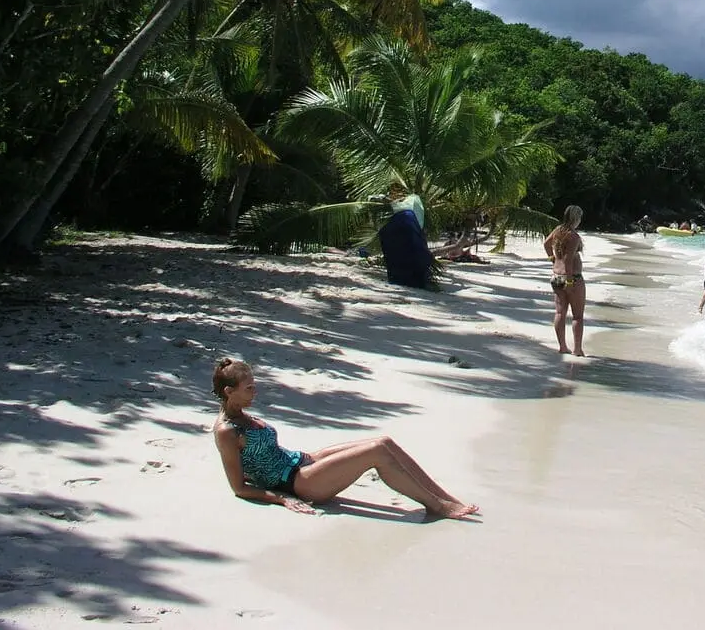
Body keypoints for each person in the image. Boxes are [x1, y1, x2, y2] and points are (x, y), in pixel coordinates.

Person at [211, 359, 478, 519]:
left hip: (300, 461)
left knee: (385, 441)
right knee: (376, 452)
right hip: (297, 483)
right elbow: (239, 487)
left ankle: (445, 498)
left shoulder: (243, 415)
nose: (255, 392)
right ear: (228, 391)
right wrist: (282, 499)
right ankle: (436, 506)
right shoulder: (227, 431)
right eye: (249, 388)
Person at [543, 205, 586, 356]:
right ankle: (577, 349)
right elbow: (568, 261)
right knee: (578, 316)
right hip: (571, 278)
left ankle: (562, 346)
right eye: (580, 217)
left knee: (560, 313)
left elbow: (546, 244)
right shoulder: (573, 236)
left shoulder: (558, 230)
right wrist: (569, 283)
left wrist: (553, 259)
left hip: (556, 277)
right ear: (576, 218)